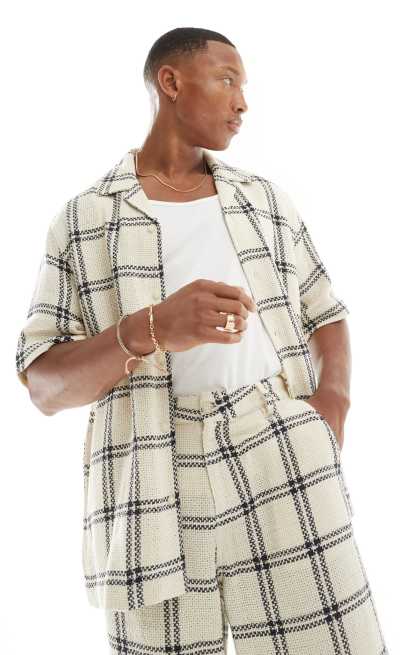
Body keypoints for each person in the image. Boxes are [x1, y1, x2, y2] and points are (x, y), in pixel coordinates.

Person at [15, 26, 388, 655]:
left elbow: (325, 309)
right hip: (150, 473)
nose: (243, 102)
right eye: (227, 79)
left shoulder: (263, 201)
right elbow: (44, 385)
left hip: (279, 445)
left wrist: (333, 406)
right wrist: (151, 329)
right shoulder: (86, 219)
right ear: (171, 82)